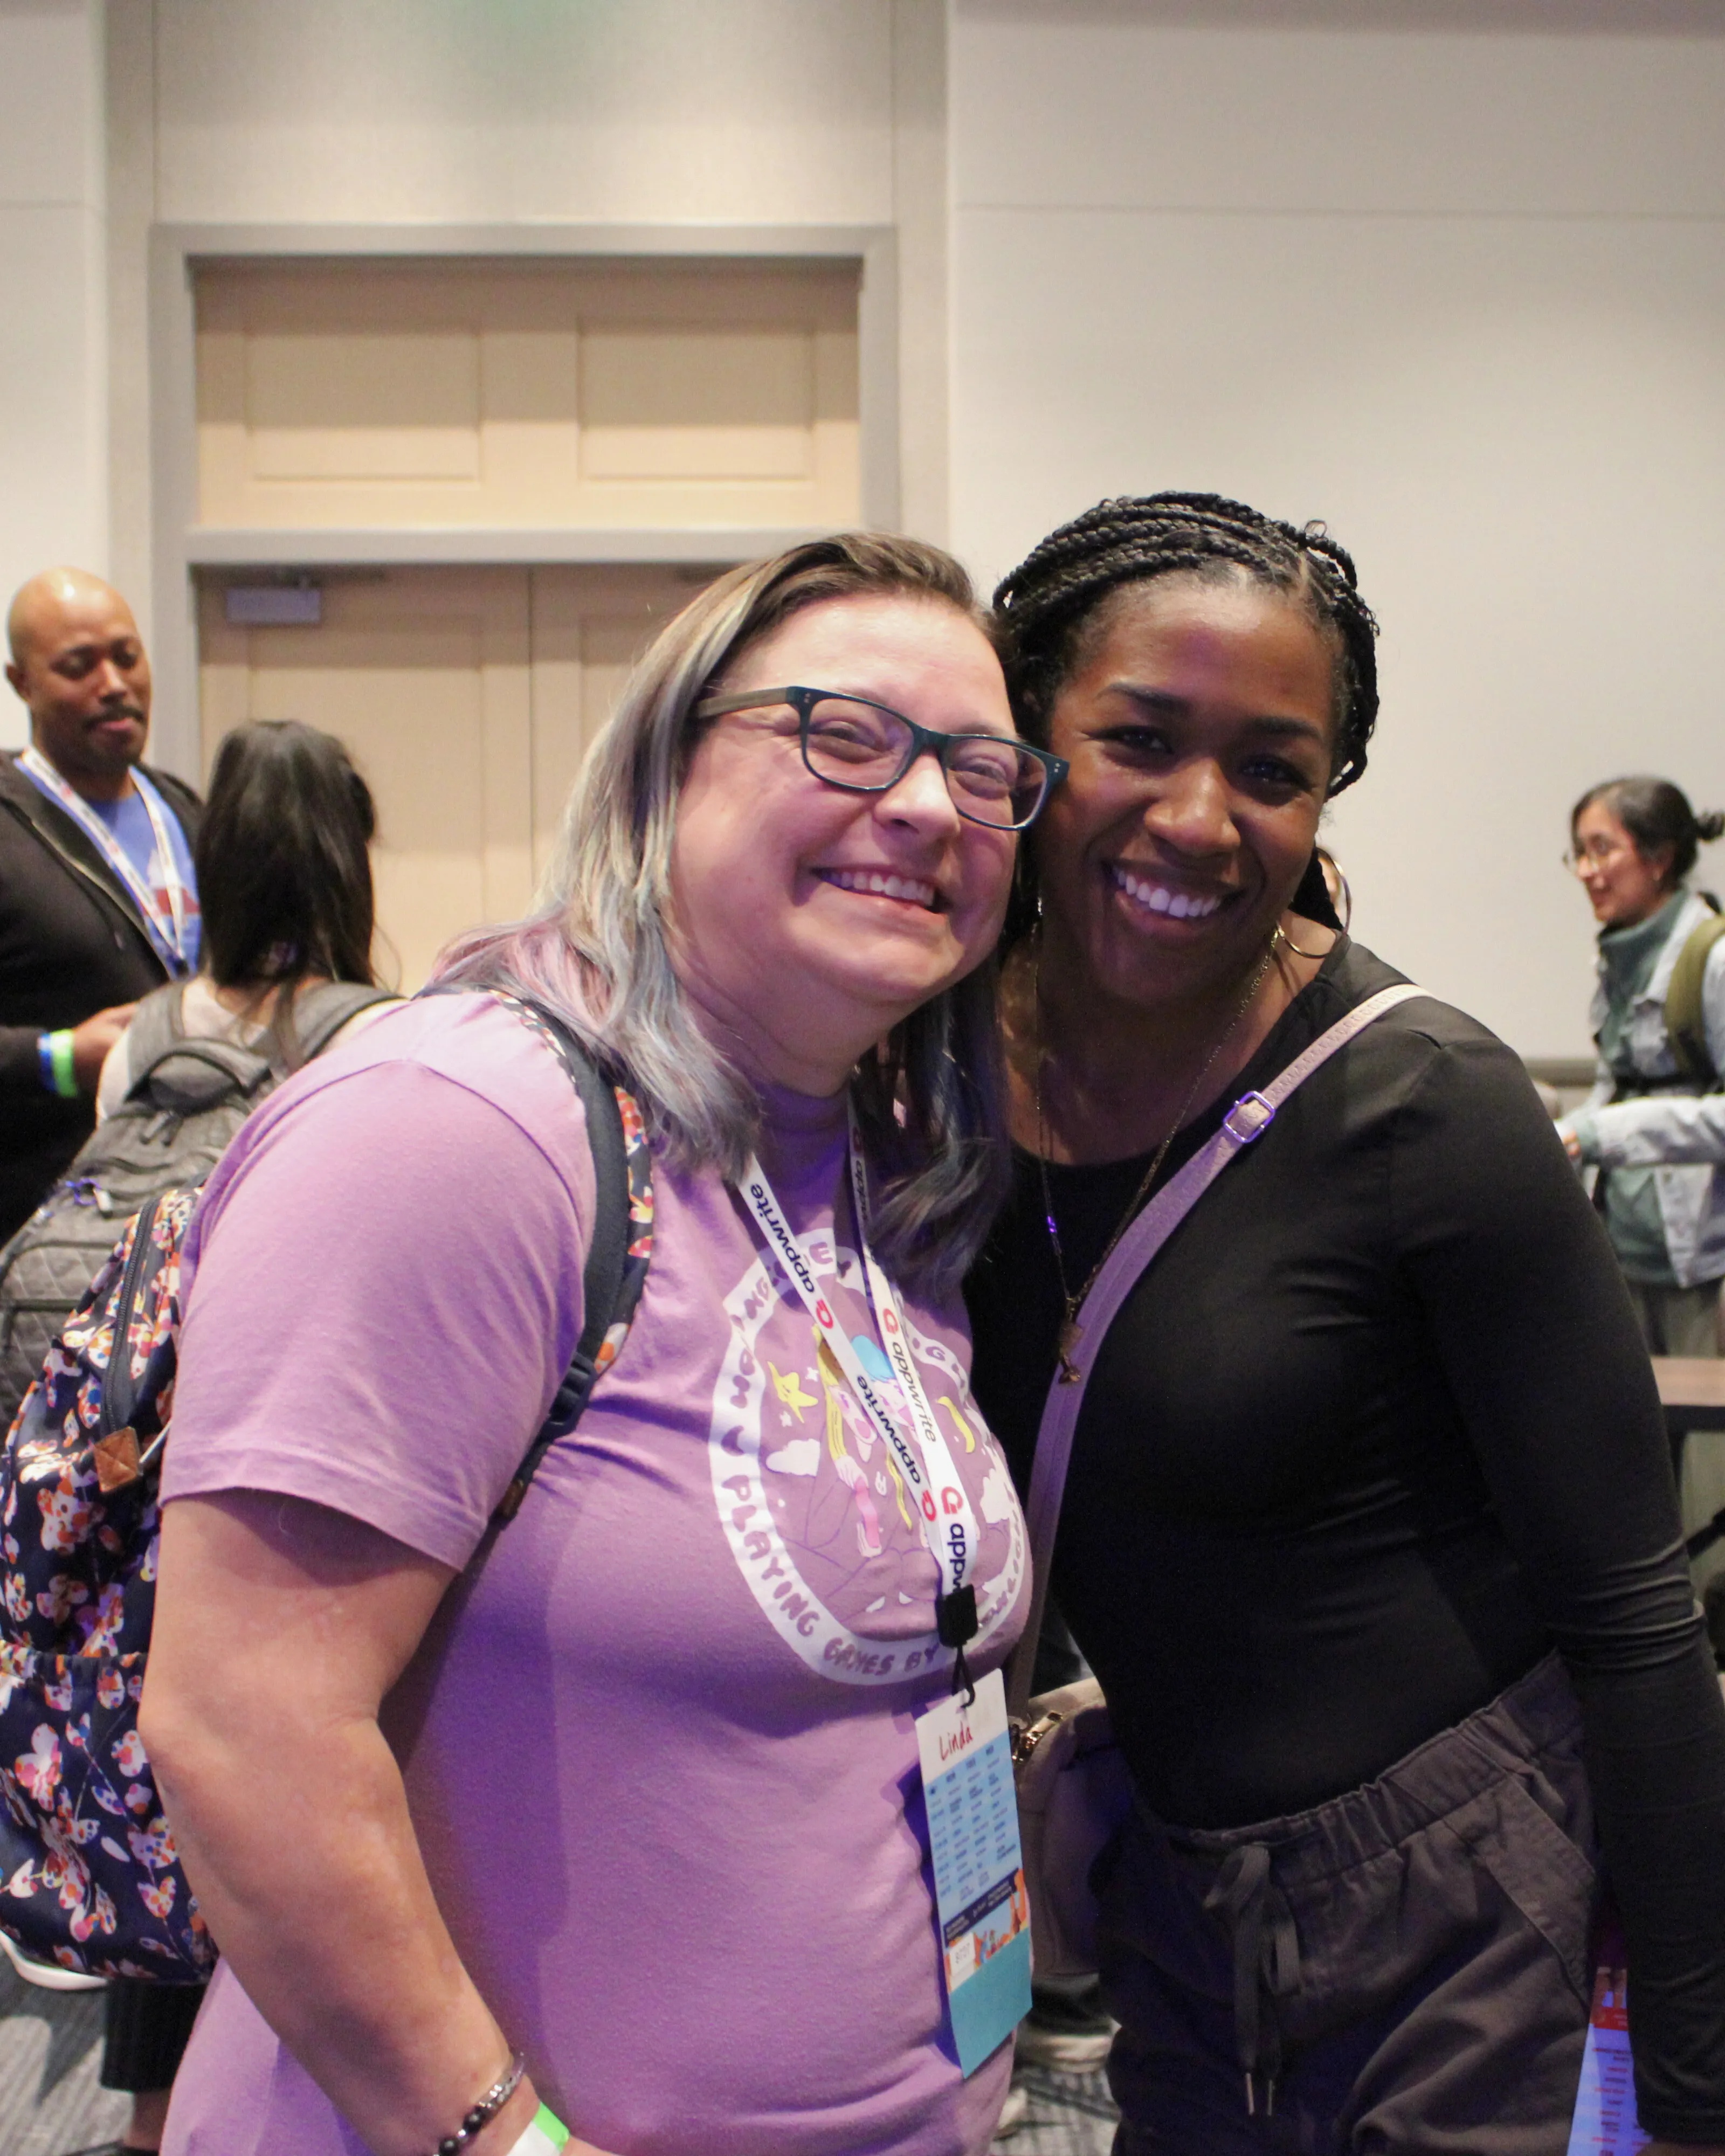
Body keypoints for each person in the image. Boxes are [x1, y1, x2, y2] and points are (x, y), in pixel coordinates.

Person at [140, 534, 1055, 2156]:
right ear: (662, 769)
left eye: (984, 775)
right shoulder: (460, 1124)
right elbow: (243, 1724)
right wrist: (496, 2138)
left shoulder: (869, 1159)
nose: (924, 807)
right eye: (843, 737)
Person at [965, 492, 1725, 2155]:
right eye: (1137, 738)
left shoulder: (1415, 1098)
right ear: (1025, 733)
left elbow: (1635, 1615)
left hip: (1453, 1905)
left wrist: (1687, 2088)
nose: (1197, 817)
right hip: (1166, 1895)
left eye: (1268, 767)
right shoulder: (927, 1079)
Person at [79, 718, 397, 2156]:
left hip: (139, 1491)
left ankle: (156, 2120)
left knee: (179, 1791)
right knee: (301, 1796)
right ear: (345, 852)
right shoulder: (374, 1039)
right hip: (294, 1479)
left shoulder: (145, 1032)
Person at [0, 568, 200, 1241]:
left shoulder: (187, 812)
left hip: (181, 1219)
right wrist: (58, 1058)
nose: (113, 684)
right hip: (39, 1238)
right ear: (21, 682)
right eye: (78, 666)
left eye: (126, 656)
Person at [1553, 778, 1725, 1356]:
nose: (1584, 870)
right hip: (1621, 1249)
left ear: (1658, 858)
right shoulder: (1616, 955)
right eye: (1577, 852)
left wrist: (1602, 1133)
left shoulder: (1712, 958)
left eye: (1601, 849)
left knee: (1704, 1440)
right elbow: (1614, 1081)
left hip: (1702, 1262)